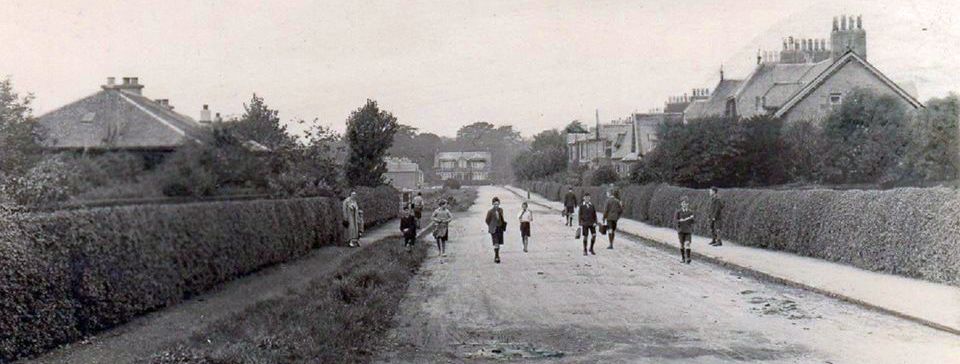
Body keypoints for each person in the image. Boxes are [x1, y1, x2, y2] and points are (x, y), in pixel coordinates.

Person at [485, 197, 507, 263]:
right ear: (492, 204)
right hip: (494, 229)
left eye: (497, 204)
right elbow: (487, 220)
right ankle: (496, 256)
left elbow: (502, 218)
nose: (496, 205)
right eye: (495, 204)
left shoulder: (501, 210)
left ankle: (497, 254)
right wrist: (491, 225)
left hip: (500, 228)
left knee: (499, 243)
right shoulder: (490, 211)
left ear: (499, 204)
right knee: (496, 242)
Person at [675, 197, 695, 264]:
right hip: (681, 231)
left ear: (688, 204)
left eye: (686, 203)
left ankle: (688, 258)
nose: (684, 204)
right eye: (683, 203)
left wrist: (692, 219)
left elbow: (693, 222)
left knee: (687, 244)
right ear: (681, 204)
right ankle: (683, 258)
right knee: (681, 245)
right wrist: (681, 220)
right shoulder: (678, 212)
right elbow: (676, 220)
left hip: (688, 231)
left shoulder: (690, 212)